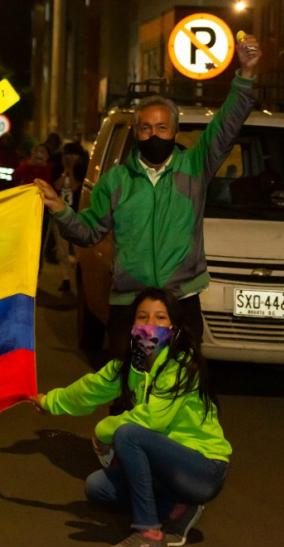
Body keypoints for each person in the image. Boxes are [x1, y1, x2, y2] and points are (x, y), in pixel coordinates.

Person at [36, 35, 261, 356]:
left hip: (180, 302)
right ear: (135, 132)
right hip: (130, 304)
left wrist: (246, 75)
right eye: (145, 128)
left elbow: (226, 127)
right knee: (128, 393)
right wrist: (60, 208)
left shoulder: (195, 168)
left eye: (162, 128)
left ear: (175, 131)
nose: (153, 135)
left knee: (180, 391)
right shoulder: (117, 180)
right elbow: (88, 232)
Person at [31, 288, 231, 547]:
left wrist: (104, 430)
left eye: (160, 318)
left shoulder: (182, 366)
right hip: (168, 469)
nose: (150, 324)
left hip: (202, 468)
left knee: (129, 434)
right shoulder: (129, 367)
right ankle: (180, 506)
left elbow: (153, 421)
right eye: (143, 317)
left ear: (173, 326)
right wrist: (48, 402)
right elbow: (89, 389)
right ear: (133, 324)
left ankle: (149, 534)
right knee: (97, 487)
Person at [49, 141, 88, 293]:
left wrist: (71, 170)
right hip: (59, 215)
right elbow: (57, 186)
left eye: (73, 155)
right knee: (62, 249)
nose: (69, 157)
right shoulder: (58, 168)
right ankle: (66, 279)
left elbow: (74, 187)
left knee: (78, 250)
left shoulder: (82, 170)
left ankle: (79, 280)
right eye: (67, 154)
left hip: (77, 214)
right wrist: (65, 170)